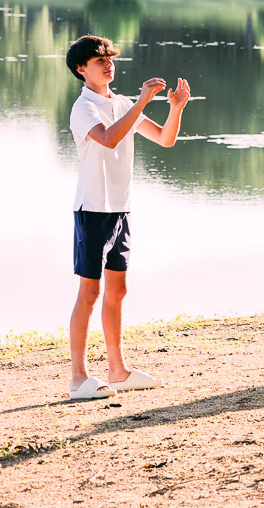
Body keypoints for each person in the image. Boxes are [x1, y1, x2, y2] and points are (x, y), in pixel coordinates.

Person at [64, 35, 191, 400]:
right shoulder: (83, 107)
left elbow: (165, 139)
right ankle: (78, 378)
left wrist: (176, 107)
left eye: (109, 58)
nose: (107, 64)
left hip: (121, 207)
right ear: (81, 69)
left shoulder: (122, 103)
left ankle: (118, 371)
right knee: (90, 291)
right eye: (98, 60)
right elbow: (108, 138)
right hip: (92, 210)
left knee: (118, 289)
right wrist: (141, 102)